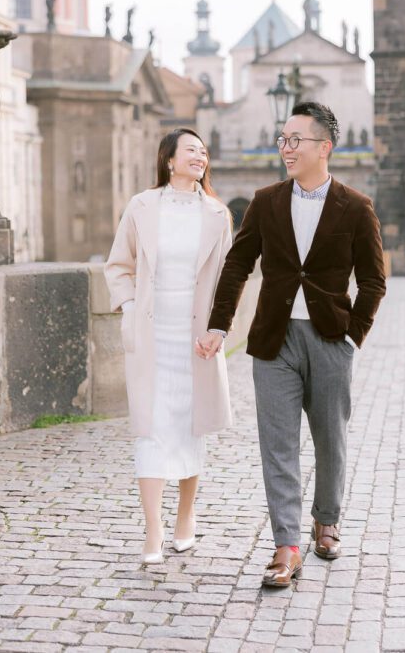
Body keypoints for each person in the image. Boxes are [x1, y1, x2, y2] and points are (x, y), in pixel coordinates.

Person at [196, 102, 386, 588]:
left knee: (330, 439)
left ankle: (327, 520)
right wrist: (220, 325)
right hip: (273, 341)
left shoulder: (357, 206)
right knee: (277, 446)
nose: (286, 147)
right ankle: (286, 545)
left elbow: (373, 280)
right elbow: (238, 265)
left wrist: (351, 336)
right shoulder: (265, 201)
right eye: (283, 139)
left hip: (328, 339)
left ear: (325, 147)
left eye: (295, 139)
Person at [104, 129, 232, 564]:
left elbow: (227, 282)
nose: (200, 156)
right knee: (152, 428)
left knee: (190, 426)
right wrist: (129, 308)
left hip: (195, 338)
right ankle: (153, 530)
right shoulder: (142, 206)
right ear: (169, 160)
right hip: (152, 334)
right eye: (191, 150)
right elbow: (119, 264)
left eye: (203, 151)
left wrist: (219, 330)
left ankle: (185, 516)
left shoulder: (218, 213)